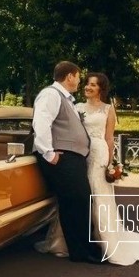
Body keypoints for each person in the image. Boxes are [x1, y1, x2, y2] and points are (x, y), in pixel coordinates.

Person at [35, 72, 139, 265]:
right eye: (87, 83)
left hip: (98, 155)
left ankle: (105, 242)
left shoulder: (108, 109)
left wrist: (112, 163)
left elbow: (109, 138)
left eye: (94, 85)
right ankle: (67, 242)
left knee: (97, 196)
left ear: (101, 89)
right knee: (77, 196)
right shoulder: (76, 106)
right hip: (79, 156)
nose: (88, 87)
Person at [32, 61, 104, 264]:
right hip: (62, 158)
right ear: (70, 76)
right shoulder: (51, 94)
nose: (80, 81)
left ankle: (82, 250)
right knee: (79, 201)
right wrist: (49, 153)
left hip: (71, 158)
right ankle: (83, 251)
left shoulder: (64, 98)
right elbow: (41, 122)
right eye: (79, 77)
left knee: (75, 202)